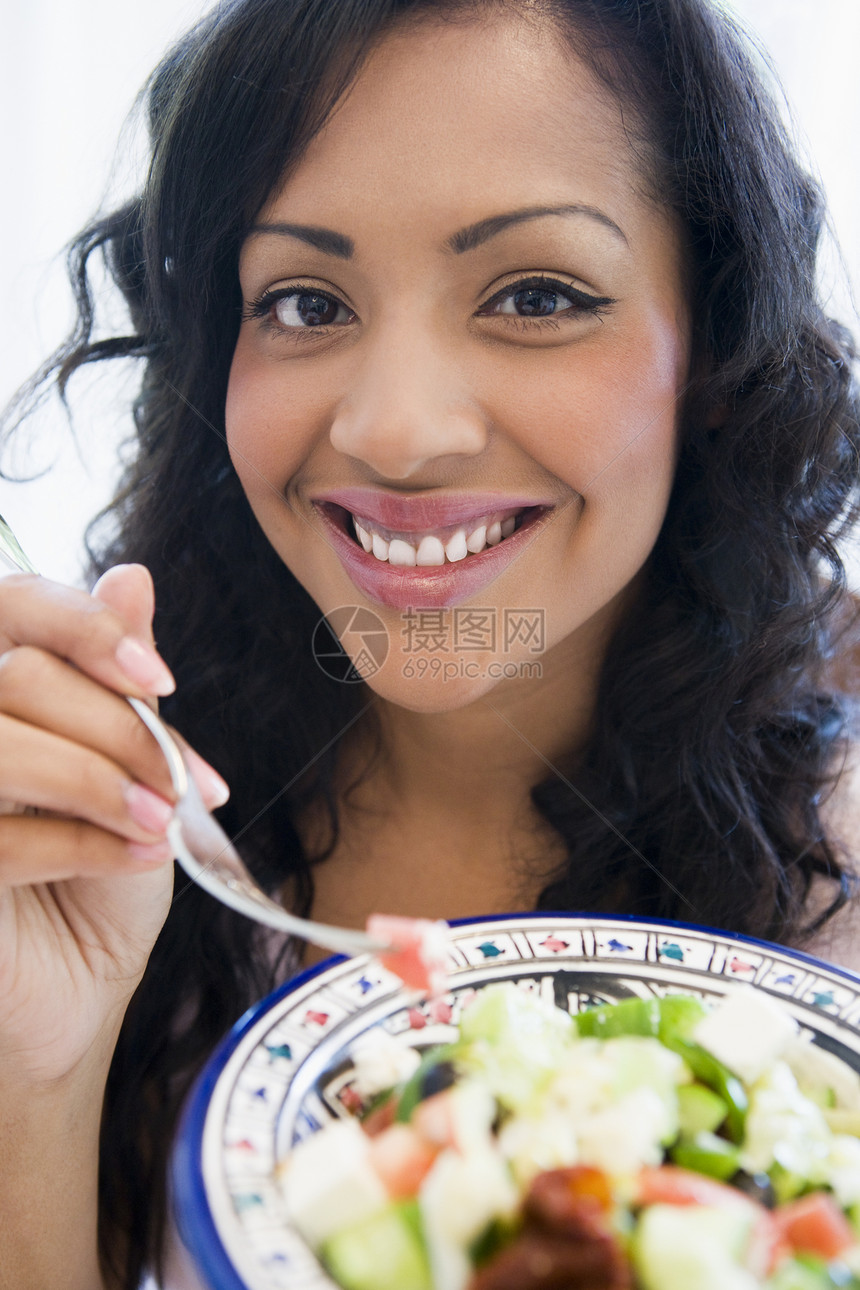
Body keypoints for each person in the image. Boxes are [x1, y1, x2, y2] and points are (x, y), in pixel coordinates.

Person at [1, 0, 859, 1286]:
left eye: (533, 294)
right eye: (301, 301)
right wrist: (43, 1064)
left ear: (714, 348)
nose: (396, 432)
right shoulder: (119, 824)